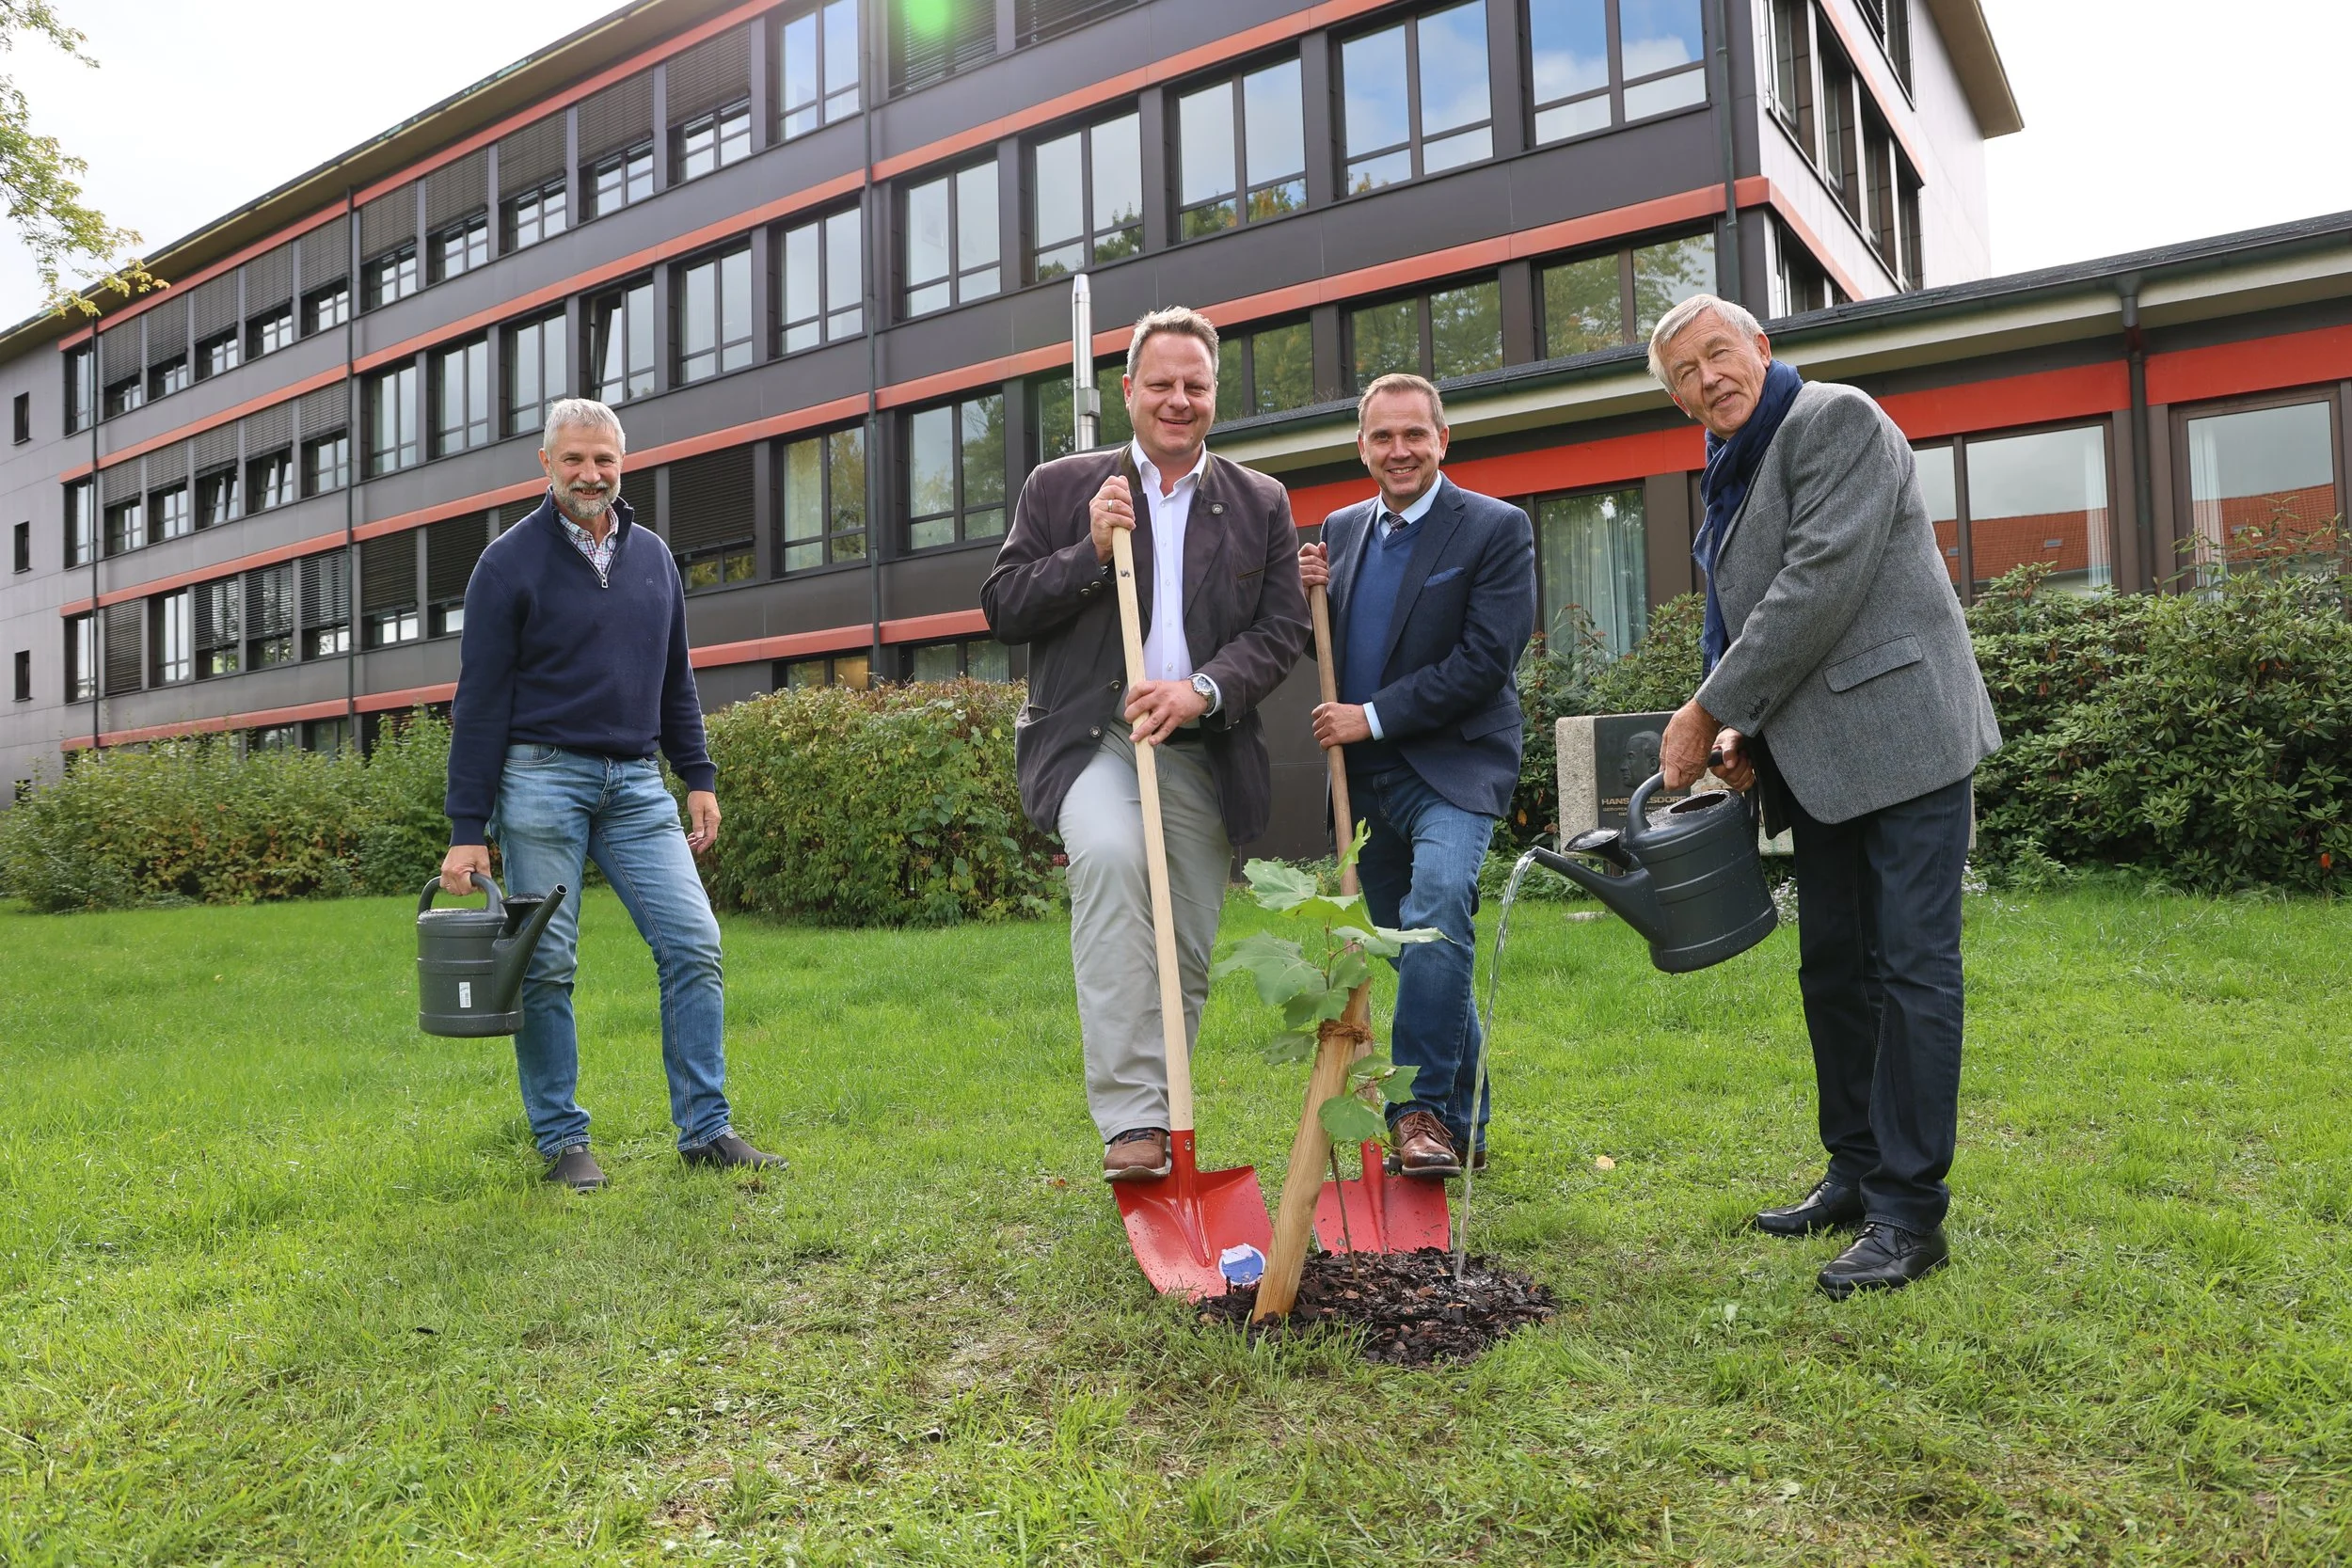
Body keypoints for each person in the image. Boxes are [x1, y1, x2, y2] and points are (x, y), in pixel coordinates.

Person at [1647, 294, 1999, 1297]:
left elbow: (1817, 582)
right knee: (1834, 967)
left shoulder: (1834, 419)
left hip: (1906, 738)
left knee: (1909, 970)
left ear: (1760, 347)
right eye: (1684, 372)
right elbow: (1750, 609)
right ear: (1676, 398)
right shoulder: (1730, 466)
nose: (1707, 377)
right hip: (1820, 757)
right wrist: (1739, 727)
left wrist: (1707, 702)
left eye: (1719, 353)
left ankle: (1908, 1214)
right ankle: (1854, 1169)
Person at [981, 307, 1310, 1181]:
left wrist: (1201, 689)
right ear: (1127, 391)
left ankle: (1167, 1117)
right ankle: (1132, 1120)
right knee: (1117, 860)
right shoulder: (1062, 487)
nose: (1177, 400)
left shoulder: (1259, 501)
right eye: (1159, 384)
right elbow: (1005, 605)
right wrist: (1088, 549)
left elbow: (1280, 632)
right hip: (1095, 737)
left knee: (1186, 942)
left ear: (1214, 393)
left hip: (1203, 746)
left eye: (1193, 385)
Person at [439, 397, 783, 1192]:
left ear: (622, 464)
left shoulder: (654, 556)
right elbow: (479, 700)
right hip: (538, 777)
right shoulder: (507, 564)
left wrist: (697, 774)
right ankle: (563, 1143)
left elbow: (675, 676)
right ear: (547, 464)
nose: (590, 474)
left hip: (634, 783)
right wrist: (467, 826)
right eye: (574, 460)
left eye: (604, 460)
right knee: (547, 964)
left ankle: (706, 1130)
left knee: (694, 943)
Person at [1296, 373, 1534, 1179]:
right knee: (1419, 947)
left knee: (1437, 908)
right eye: (1382, 437)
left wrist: (1373, 715)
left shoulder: (1496, 529)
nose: (1399, 450)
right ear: (1362, 446)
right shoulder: (1341, 529)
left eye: (1414, 434)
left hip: (1454, 765)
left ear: (1442, 439)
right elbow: (1332, 649)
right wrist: (1308, 608)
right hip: (1365, 776)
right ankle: (1464, 1123)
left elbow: (1483, 661)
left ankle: (1420, 1111)